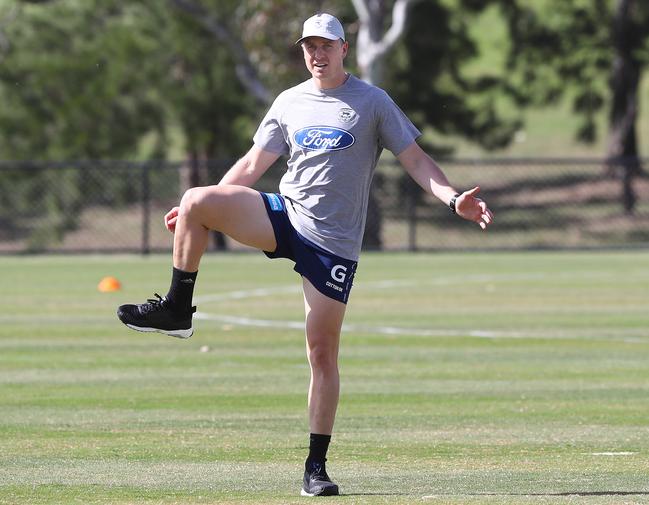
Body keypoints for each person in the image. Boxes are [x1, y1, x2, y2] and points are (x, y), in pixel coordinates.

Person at [117, 12, 494, 497]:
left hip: (331, 242)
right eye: (309, 47)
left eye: (326, 46)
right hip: (285, 213)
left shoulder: (372, 102)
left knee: (321, 351)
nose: (317, 54)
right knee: (195, 198)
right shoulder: (289, 101)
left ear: (344, 50)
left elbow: (416, 159)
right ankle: (176, 309)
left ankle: (316, 467)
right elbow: (254, 163)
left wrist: (452, 198)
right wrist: (206, 208)